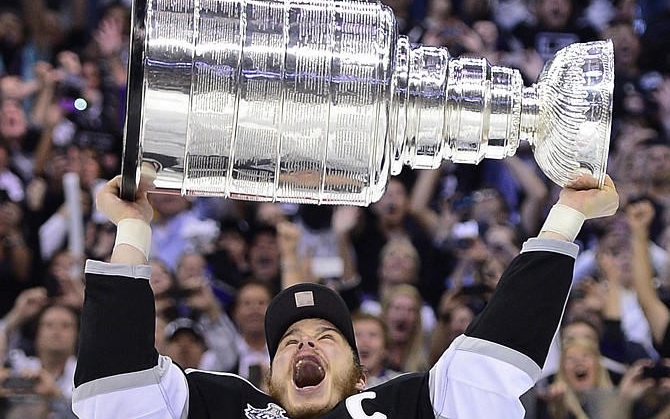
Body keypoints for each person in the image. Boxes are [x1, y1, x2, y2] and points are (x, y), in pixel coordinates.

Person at [72, 171, 618, 418]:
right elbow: (114, 388)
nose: (304, 344)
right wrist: (131, 228)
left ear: (361, 376)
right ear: (269, 380)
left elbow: (496, 356)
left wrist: (568, 212)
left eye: (326, 337)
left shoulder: (403, 406)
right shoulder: (219, 404)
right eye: (289, 342)